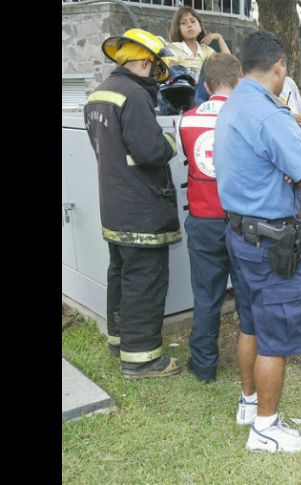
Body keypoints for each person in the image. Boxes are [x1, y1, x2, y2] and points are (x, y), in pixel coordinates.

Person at [214, 30, 301, 453]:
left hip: (240, 234)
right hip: (271, 243)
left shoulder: (233, 104)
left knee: (251, 322)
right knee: (276, 333)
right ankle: (266, 428)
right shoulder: (271, 115)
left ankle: (249, 402)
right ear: (279, 67)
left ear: (243, 66)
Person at [84, 28, 182, 379]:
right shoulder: (134, 96)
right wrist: (171, 138)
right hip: (141, 208)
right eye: (156, 69)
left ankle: (120, 341)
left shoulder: (99, 94)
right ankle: (142, 359)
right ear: (144, 62)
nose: (157, 77)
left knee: (121, 274)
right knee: (145, 280)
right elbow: (151, 151)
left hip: (114, 204)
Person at [178, 53, 244, 383]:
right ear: (240, 80)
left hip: (203, 218)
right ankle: (255, 359)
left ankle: (204, 365)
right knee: (247, 294)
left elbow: (189, 160)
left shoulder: (187, 119)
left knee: (206, 296)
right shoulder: (247, 117)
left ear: (205, 85)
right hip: (241, 219)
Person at [165, 6, 231, 107]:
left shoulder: (204, 50)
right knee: (177, 70)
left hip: (199, 90)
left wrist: (219, 37)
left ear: (200, 26)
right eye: (183, 23)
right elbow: (171, 71)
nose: (189, 26)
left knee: (216, 71)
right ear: (178, 28)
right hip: (181, 90)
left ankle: (201, 105)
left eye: (193, 21)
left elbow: (228, 62)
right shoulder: (175, 47)